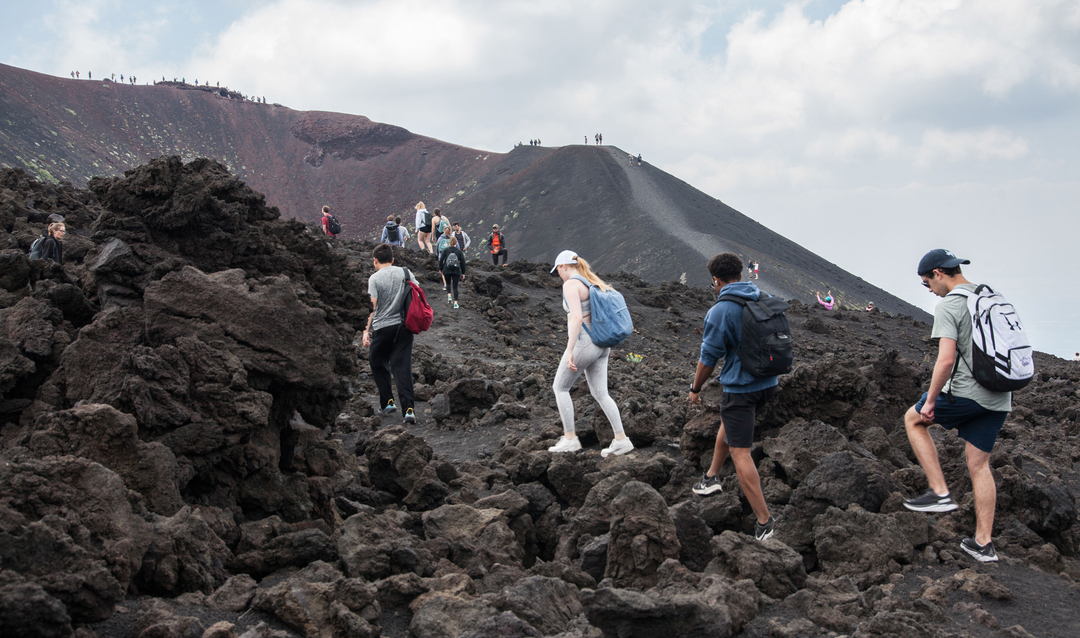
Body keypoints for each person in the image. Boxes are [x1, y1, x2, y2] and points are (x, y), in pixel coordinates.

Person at [902, 249, 1012, 563]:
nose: (929, 290)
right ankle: (983, 544)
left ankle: (939, 492)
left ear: (938, 273)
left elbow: (946, 360)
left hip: (967, 392)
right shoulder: (990, 296)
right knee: (979, 465)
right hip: (1000, 395)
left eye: (927, 283)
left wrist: (932, 401)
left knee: (913, 419)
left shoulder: (950, 304)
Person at [689, 252, 778, 542]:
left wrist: (695, 389)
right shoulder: (762, 297)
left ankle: (765, 523)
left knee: (741, 451)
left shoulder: (721, 310)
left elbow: (708, 359)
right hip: (769, 382)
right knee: (729, 425)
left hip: (742, 388)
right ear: (740, 274)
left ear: (715, 280)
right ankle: (712, 477)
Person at [548, 250, 634, 457]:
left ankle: (570, 439)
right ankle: (621, 440)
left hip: (586, 343)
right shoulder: (590, 281)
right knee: (601, 393)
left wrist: (569, 350)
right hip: (603, 344)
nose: (558, 274)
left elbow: (576, 318)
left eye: (557, 270)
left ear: (563, 266)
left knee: (560, 387)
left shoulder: (570, 284)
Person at [362, 243, 418, 424]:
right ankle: (409, 410)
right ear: (392, 260)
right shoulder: (405, 273)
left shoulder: (374, 278)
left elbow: (372, 307)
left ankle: (387, 402)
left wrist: (365, 331)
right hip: (404, 327)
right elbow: (417, 293)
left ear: (375, 261)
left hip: (382, 328)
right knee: (402, 366)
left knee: (376, 360)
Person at [440, 237, 467, 309]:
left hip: (447, 269)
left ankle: (449, 296)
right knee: (455, 287)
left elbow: (441, 260)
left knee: (448, 283)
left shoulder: (445, 250)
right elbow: (463, 263)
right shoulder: (459, 252)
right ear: (456, 243)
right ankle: (455, 303)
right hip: (456, 270)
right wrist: (463, 273)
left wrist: (441, 268)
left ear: (449, 243)